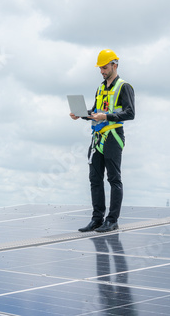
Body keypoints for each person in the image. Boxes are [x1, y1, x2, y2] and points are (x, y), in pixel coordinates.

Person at [70, 49, 135, 233]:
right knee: (94, 179)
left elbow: (130, 113)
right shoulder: (99, 88)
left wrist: (106, 116)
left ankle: (112, 220)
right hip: (97, 138)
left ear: (115, 65)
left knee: (114, 179)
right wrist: (82, 115)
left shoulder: (124, 87)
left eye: (105, 67)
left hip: (113, 137)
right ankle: (97, 219)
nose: (102, 71)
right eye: (100, 68)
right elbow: (95, 111)